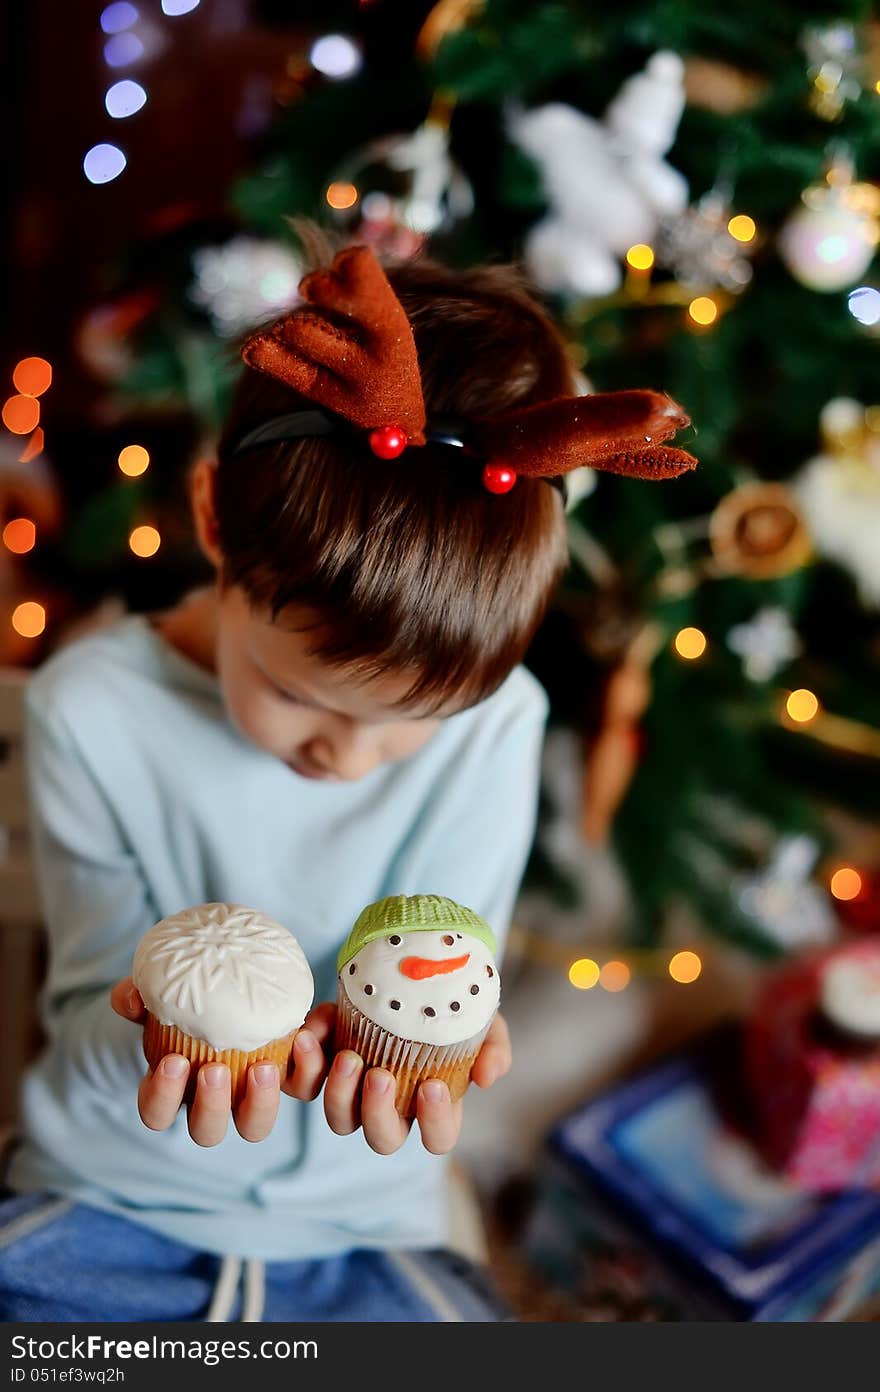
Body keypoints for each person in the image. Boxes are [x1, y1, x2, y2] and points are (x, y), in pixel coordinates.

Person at [0, 235, 694, 1322]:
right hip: (112, 1202)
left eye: (408, 725)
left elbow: (442, 960)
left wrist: (441, 1052)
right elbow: (89, 1011)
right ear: (214, 517)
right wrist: (146, 1027)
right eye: (304, 695)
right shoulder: (92, 711)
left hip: (365, 1225)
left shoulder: (496, 725)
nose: (347, 758)